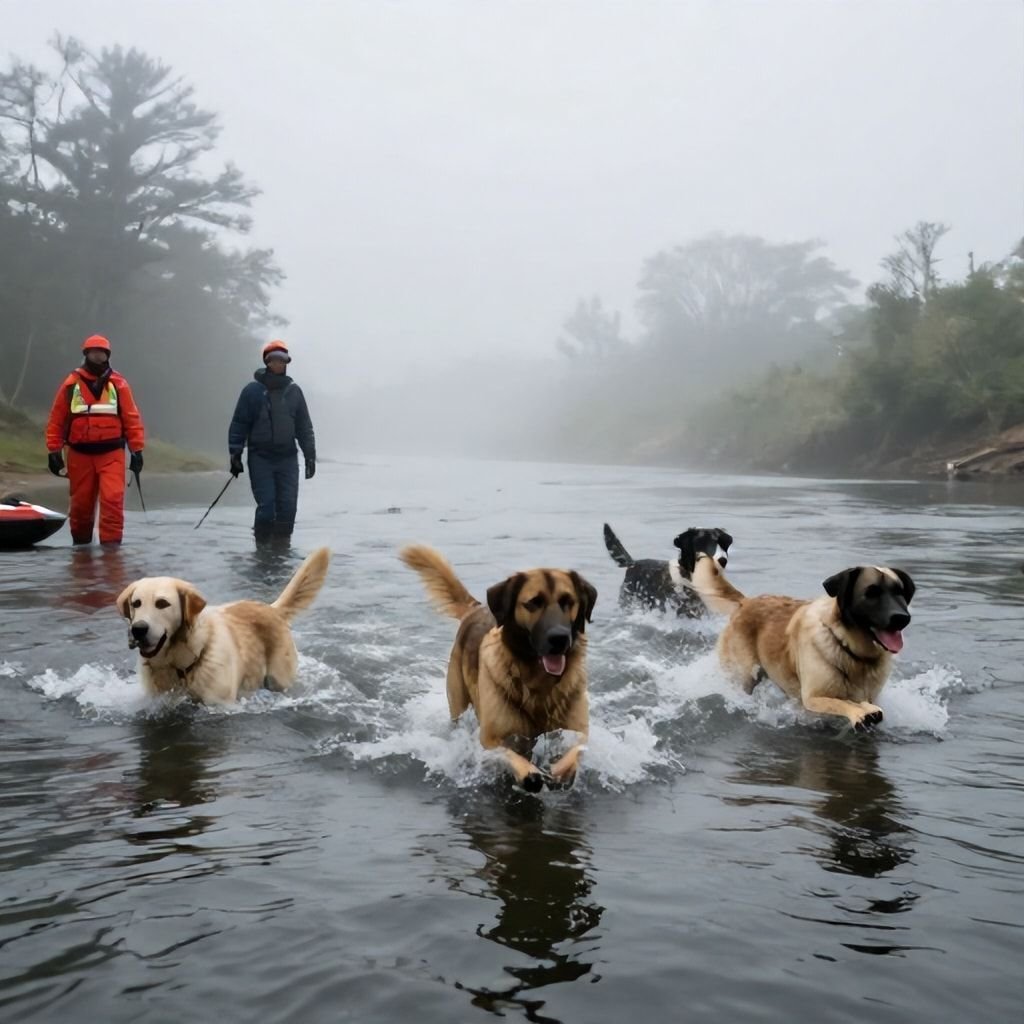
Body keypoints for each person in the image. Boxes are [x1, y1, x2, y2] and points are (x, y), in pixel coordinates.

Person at [45, 334, 146, 546]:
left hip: (112, 454)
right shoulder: (71, 383)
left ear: (107, 356)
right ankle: (80, 550)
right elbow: (57, 419)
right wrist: (54, 451)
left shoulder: (119, 384)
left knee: (112, 501)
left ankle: (111, 553)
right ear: (86, 354)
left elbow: (132, 418)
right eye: (94, 353)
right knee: (81, 506)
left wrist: (137, 450)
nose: (98, 357)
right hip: (79, 454)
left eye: (101, 353)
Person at [228, 340, 316, 543]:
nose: (278, 364)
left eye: (282, 360)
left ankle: (281, 552)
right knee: (267, 508)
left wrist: (310, 456)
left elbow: (304, 427)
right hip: (260, 458)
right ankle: (261, 550)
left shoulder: (294, 392)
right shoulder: (252, 391)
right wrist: (235, 454)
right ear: (266, 362)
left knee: (288, 509)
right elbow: (239, 423)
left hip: (288, 459)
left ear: (286, 363)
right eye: (273, 360)